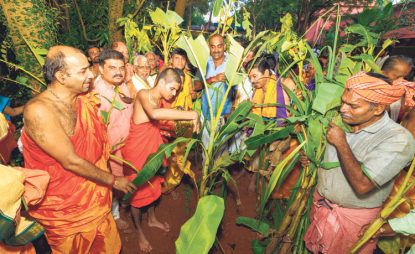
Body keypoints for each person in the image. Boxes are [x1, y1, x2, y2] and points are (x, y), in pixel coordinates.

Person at [20, 45, 135, 253]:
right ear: (61, 76)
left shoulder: (84, 100)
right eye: (83, 71)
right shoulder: (39, 111)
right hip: (64, 207)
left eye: (89, 68)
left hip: (94, 195)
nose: (91, 74)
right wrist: (114, 180)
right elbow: (70, 161)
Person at [303, 72, 415, 254]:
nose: (343, 109)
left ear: (378, 108)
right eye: (343, 102)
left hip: (353, 221)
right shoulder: (341, 121)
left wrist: (341, 143)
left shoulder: (398, 139)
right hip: (322, 210)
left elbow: (363, 185)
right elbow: (331, 165)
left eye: (353, 106)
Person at [122, 68, 199, 252]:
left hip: (153, 149)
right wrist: (192, 114)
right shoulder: (143, 94)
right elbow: (155, 115)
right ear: (162, 82)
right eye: (172, 89)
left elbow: (160, 121)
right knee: (137, 193)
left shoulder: (161, 100)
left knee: (154, 184)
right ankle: (139, 231)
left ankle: (152, 218)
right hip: (137, 152)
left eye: (176, 91)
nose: (174, 94)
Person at [93, 49, 134, 231]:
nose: (118, 72)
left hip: (126, 149)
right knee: (110, 183)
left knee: (123, 181)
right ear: (101, 69)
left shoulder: (121, 85)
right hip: (109, 153)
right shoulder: (96, 95)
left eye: (121, 67)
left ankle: (123, 207)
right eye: (112, 68)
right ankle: (114, 216)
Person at [381, 55, 414, 122]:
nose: (402, 81)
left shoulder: (406, 94)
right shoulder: (375, 93)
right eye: (397, 77)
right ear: (383, 73)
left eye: (405, 78)